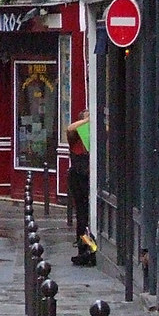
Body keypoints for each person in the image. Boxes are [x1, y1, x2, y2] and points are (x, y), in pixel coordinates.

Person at [67, 111, 96, 266]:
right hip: (79, 178)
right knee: (82, 216)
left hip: (90, 178)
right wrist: (88, 120)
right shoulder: (75, 137)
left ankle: (90, 247)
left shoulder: (93, 135)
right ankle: (84, 248)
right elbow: (70, 128)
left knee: (89, 216)